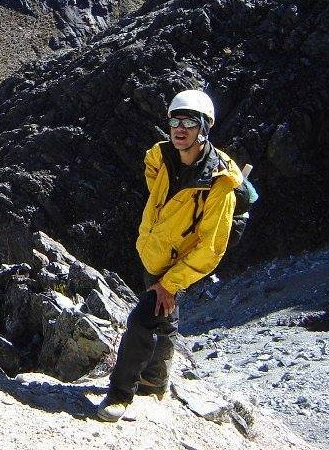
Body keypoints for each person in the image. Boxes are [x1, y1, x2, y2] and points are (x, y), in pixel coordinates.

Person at [97, 89, 243, 422]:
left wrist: (171, 283)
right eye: (175, 121)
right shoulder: (161, 154)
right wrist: (165, 219)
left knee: (141, 319)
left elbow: (212, 247)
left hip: (179, 265)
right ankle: (155, 381)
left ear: (204, 127)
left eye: (189, 122)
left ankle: (120, 394)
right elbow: (151, 169)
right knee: (165, 317)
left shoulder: (219, 184)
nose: (180, 128)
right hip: (155, 252)